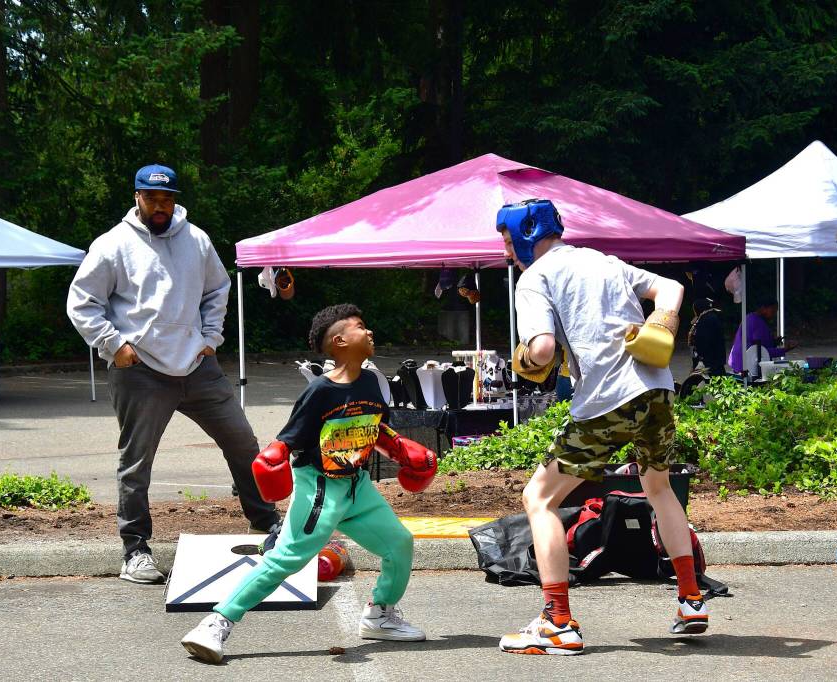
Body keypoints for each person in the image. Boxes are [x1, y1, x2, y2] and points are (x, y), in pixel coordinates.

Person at [494, 199, 709, 656]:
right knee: (659, 488)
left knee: (539, 497)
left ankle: (557, 623)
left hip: (607, 399)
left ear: (528, 237)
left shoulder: (533, 279)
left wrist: (527, 358)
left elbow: (545, 350)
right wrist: (661, 327)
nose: (509, 255)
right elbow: (670, 288)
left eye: (511, 244)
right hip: (657, 389)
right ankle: (691, 599)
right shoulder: (600, 259)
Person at [181, 304, 435, 664]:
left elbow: (377, 427)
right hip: (319, 487)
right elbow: (290, 438)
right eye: (361, 327)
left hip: (357, 486)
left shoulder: (370, 383)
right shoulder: (320, 391)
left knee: (399, 543)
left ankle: (379, 615)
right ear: (340, 341)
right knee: (288, 558)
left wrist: (401, 450)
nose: (370, 332)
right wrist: (274, 458)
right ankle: (216, 623)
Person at [66, 164, 280, 584]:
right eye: (152, 199)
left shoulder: (195, 239)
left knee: (242, 441)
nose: (161, 207)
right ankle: (135, 551)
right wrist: (115, 346)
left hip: (198, 366)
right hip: (140, 369)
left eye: (167, 199)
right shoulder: (112, 245)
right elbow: (82, 302)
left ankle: (265, 521)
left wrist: (211, 338)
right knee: (137, 461)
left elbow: (219, 288)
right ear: (137, 197)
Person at [728, 298, 795, 374]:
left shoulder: (750, 317)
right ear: (763, 308)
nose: (774, 314)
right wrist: (785, 349)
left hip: (739, 363)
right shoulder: (756, 322)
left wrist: (774, 342)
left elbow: (759, 344)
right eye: (773, 311)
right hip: (746, 366)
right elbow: (760, 352)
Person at [687, 298, 726, 376]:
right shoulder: (710, 317)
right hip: (714, 361)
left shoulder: (706, 320)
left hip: (709, 362)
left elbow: (703, 341)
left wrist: (700, 359)